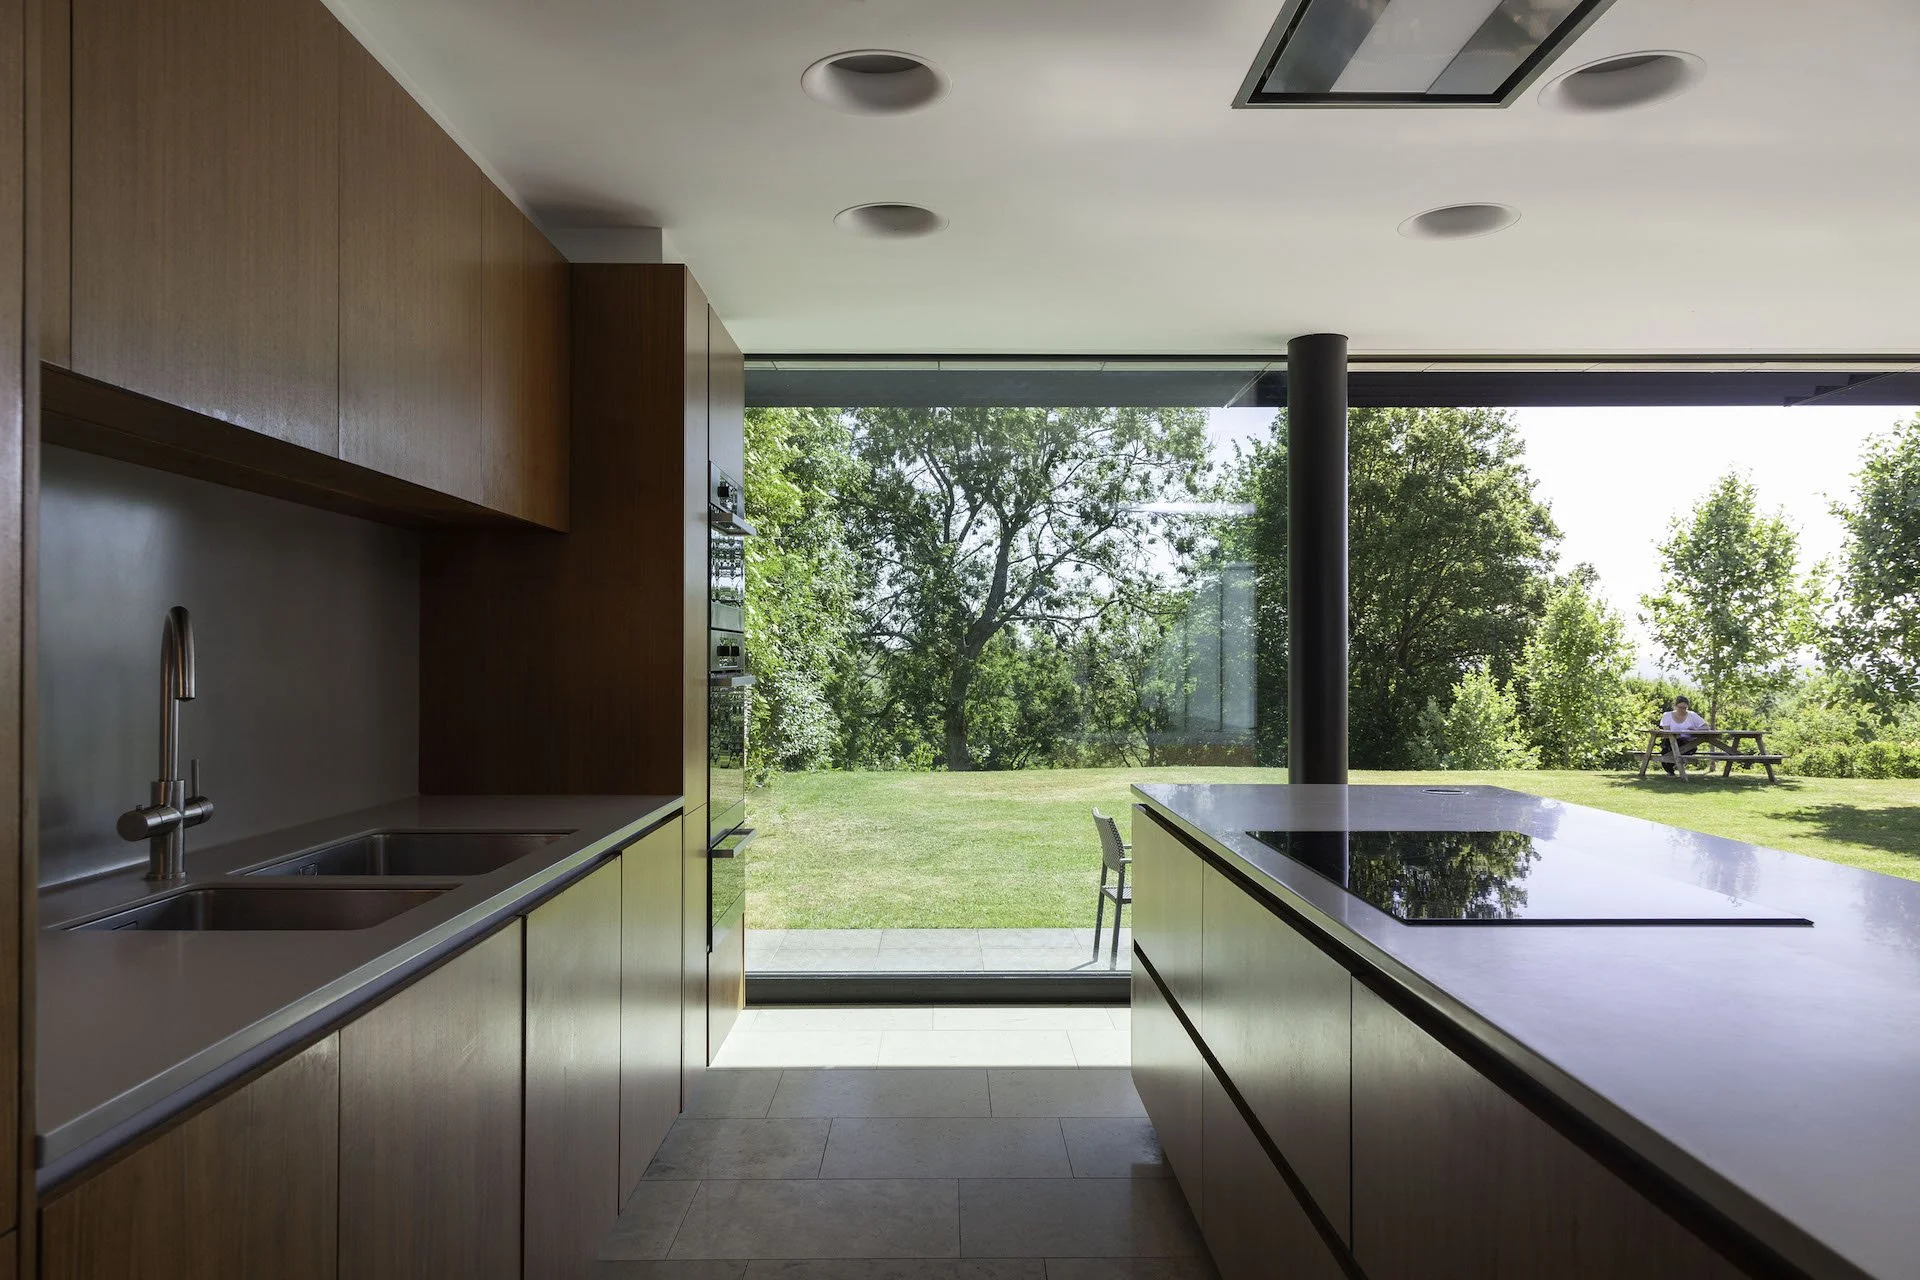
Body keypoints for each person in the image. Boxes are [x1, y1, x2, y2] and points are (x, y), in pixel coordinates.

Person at [1657, 696, 1712, 775]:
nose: (1682, 710)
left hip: (1688, 742)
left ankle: (1676, 765)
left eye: (1685, 708)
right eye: (1680, 707)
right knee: (1668, 750)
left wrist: (1695, 730)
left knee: (1688, 749)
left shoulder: (1692, 715)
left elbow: (1706, 727)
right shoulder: (1667, 715)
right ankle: (1670, 770)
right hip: (1671, 741)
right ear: (1675, 706)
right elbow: (1666, 731)